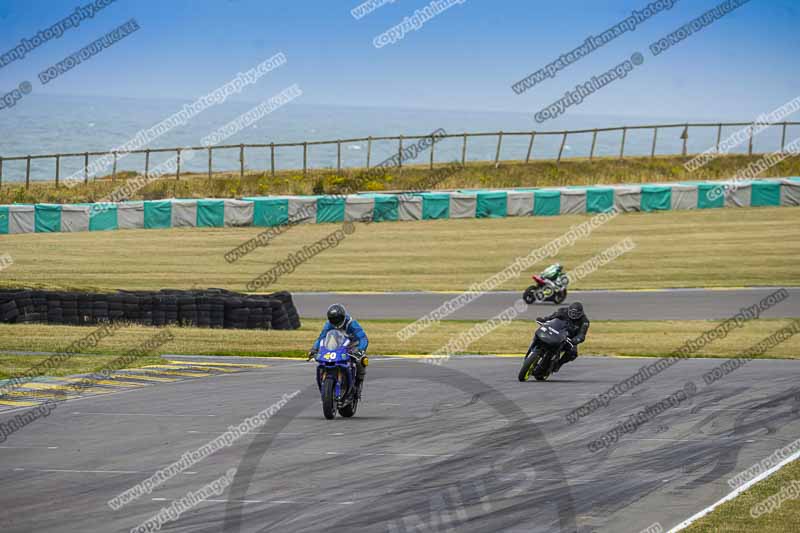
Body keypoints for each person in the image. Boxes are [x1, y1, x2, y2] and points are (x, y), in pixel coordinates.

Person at [308, 304, 369, 395]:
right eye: (333, 319)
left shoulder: (351, 324)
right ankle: (325, 383)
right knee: (323, 361)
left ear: (343, 316)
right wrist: (314, 349)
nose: (335, 321)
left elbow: (363, 339)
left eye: (338, 318)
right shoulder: (328, 325)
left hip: (352, 346)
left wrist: (359, 349)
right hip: (337, 346)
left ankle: (358, 383)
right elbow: (322, 338)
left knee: (361, 360)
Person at [536, 302, 589, 372]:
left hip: (569, 339)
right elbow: (552, 317)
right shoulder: (563, 311)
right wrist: (544, 320)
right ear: (568, 310)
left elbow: (582, 334)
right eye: (572, 312)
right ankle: (534, 349)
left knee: (573, 354)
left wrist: (575, 340)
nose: (573, 315)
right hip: (556, 332)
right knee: (540, 334)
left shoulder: (584, 321)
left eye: (576, 314)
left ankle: (558, 364)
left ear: (581, 313)